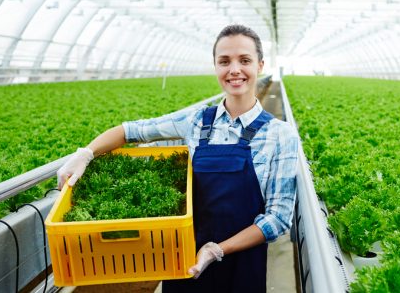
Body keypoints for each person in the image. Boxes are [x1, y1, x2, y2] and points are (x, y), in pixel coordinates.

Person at [57, 24, 299, 292]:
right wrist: (86, 153)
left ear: (260, 65)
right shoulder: (196, 120)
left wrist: (217, 250)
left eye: (244, 60)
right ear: (215, 66)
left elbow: (278, 218)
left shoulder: (280, 135)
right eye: (224, 61)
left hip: (242, 265)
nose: (234, 70)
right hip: (182, 260)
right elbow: (130, 131)